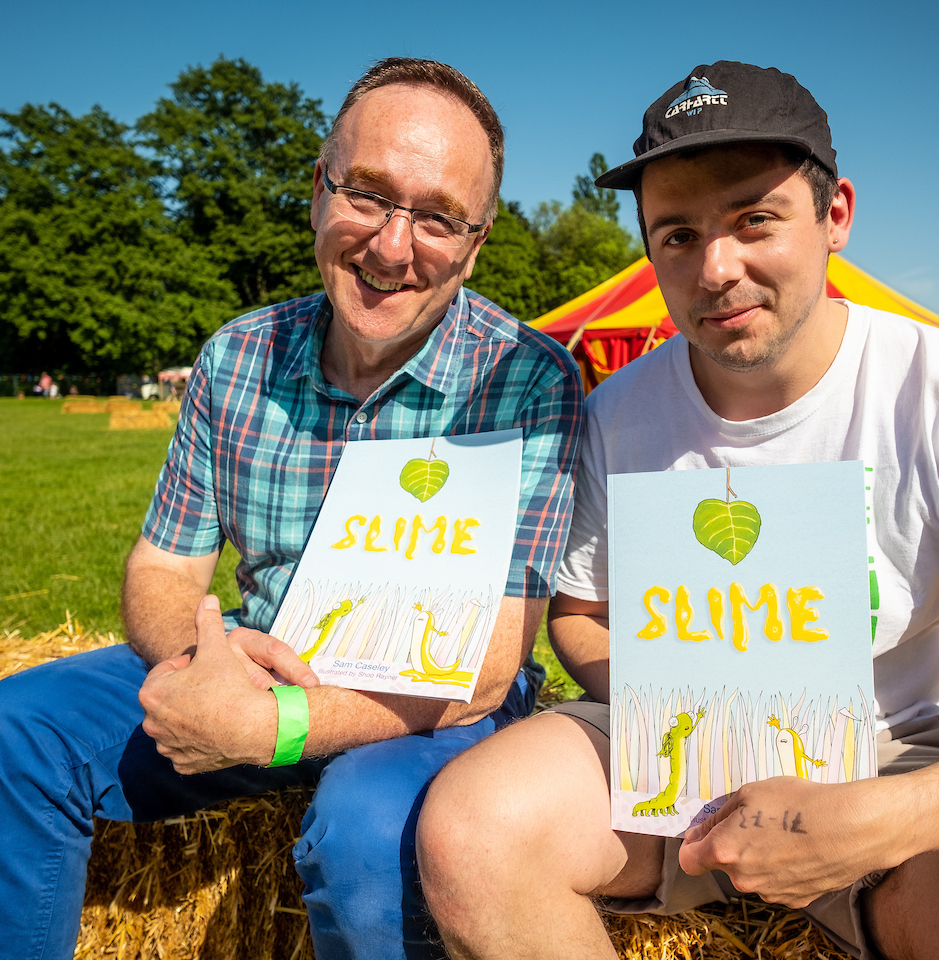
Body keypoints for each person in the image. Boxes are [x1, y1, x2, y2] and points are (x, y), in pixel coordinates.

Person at [415, 61, 939, 960]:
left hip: (894, 757)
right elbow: (583, 615)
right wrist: (697, 714)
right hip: (669, 741)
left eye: (754, 220)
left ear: (836, 216)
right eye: (677, 234)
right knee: (472, 830)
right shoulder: (617, 411)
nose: (716, 268)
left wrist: (884, 819)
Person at [0, 58, 582, 960]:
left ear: (476, 240)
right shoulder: (236, 357)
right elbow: (162, 566)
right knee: (18, 732)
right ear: (318, 189)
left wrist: (278, 727)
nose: (392, 247)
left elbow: (485, 673)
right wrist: (205, 658)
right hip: (246, 657)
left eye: (436, 217)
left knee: (365, 835)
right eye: (367, 194)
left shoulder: (527, 380)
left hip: (428, 709)